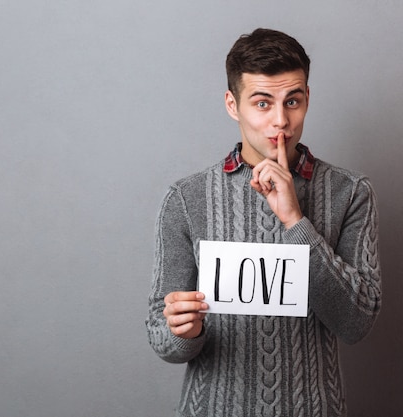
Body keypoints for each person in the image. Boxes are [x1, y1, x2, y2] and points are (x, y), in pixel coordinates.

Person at [146, 28, 381, 417]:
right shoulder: (186, 200)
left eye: (293, 101)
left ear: (308, 99)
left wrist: (295, 220)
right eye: (261, 103)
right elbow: (161, 334)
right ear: (232, 105)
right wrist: (182, 331)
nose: (281, 121)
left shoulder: (351, 193)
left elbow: (356, 324)